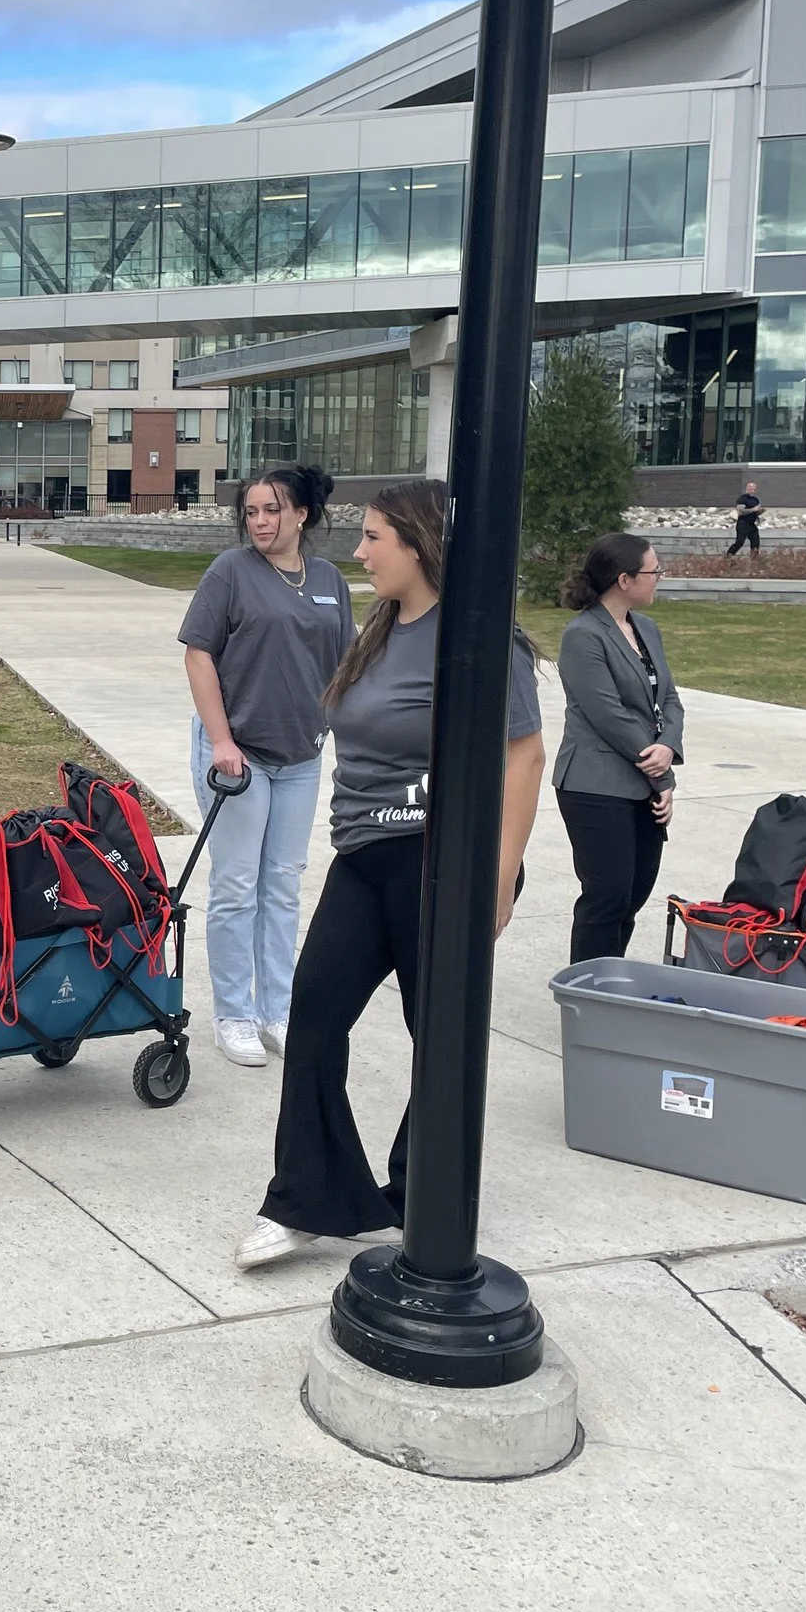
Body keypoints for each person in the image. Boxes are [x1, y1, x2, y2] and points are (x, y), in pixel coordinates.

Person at [235, 479, 544, 1269]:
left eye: (375, 538)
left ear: (420, 543)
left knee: (436, 1038)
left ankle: (419, 1194)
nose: (360, 551)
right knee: (312, 1016)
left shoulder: (477, 638)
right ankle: (308, 1197)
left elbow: (522, 755)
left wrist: (500, 877)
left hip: (435, 862)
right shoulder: (378, 626)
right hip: (363, 857)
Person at [180, 463, 353, 1066]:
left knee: (281, 887)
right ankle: (233, 1013)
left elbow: (344, 665)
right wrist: (222, 743)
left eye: (271, 510)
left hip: (301, 756)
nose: (259, 521)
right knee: (236, 887)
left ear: (301, 514)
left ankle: (277, 1009)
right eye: (251, 511)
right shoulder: (230, 572)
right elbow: (199, 656)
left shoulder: (329, 578)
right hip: (238, 755)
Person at [554, 534, 685, 963]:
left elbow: (669, 699)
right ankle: (586, 992)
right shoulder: (583, 635)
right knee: (606, 895)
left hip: (643, 781)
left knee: (633, 894)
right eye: (654, 571)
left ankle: (608, 984)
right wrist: (661, 772)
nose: (660, 578)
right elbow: (608, 714)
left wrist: (668, 749)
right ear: (624, 579)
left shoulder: (646, 628)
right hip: (594, 784)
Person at [724, 481, 763, 557]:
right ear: (747, 489)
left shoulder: (755, 499)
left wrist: (759, 512)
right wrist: (753, 509)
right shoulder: (743, 499)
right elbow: (740, 511)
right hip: (743, 524)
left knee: (755, 543)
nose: (752, 491)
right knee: (739, 542)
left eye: (753, 489)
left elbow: (756, 510)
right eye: (750, 489)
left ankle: (754, 560)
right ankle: (728, 556)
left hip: (751, 524)